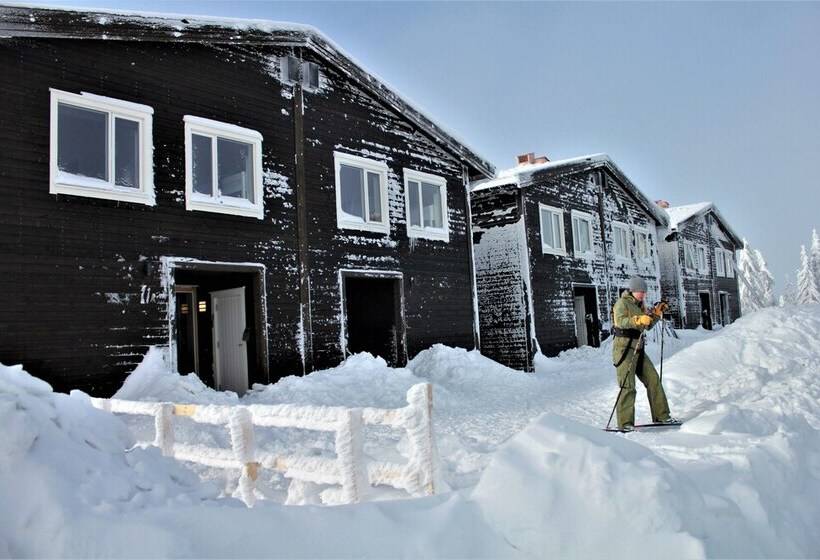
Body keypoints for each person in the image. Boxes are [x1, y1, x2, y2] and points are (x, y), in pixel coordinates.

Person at [611, 277, 678, 431]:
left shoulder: (640, 305)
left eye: (644, 292)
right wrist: (638, 319)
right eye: (640, 291)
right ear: (632, 290)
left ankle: (662, 416)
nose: (642, 294)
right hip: (624, 349)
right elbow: (620, 321)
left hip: (638, 349)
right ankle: (625, 423)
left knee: (654, 380)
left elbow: (646, 326)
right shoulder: (622, 303)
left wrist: (656, 314)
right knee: (628, 386)